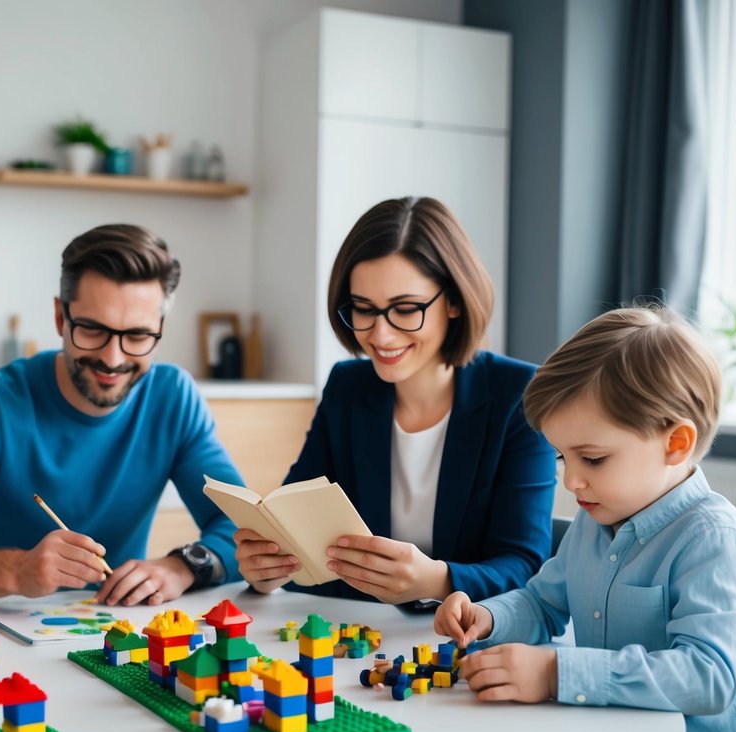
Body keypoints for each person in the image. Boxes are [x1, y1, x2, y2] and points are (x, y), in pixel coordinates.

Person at [435, 306, 736, 732]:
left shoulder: (715, 541)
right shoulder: (594, 522)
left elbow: (707, 677)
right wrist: (486, 617)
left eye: (592, 459)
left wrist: (556, 674)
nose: (571, 481)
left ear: (676, 443)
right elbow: (542, 602)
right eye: (561, 459)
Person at [0, 224, 244, 606]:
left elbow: (243, 529)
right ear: (61, 317)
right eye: (91, 329)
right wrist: (18, 570)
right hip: (2, 636)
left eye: (138, 336)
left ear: (159, 329)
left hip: (119, 629)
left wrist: (182, 567)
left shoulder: (173, 397)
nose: (113, 358)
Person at [235, 197, 555, 606]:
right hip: (362, 636)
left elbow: (525, 564)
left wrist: (438, 581)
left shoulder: (518, 393)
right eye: (364, 309)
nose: (380, 336)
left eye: (405, 309)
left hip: (468, 642)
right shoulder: (347, 387)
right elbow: (294, 528)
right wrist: (267, 572)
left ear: (455, 300)